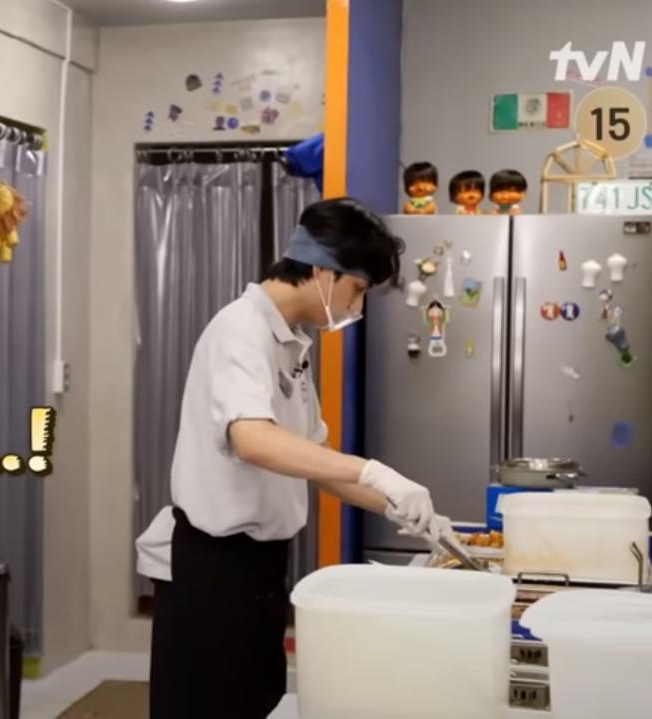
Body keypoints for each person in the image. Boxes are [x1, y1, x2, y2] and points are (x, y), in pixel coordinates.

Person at [135, 197, 449, 719]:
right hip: (215, 567)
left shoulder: (291, 344)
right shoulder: (240, 329)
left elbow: (314, 458)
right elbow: (253, 439)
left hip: (263, 566)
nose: (357, 308)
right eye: (357, 289)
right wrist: (373, 471)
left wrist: (397, 505)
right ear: (323, 272)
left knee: (259, 703)